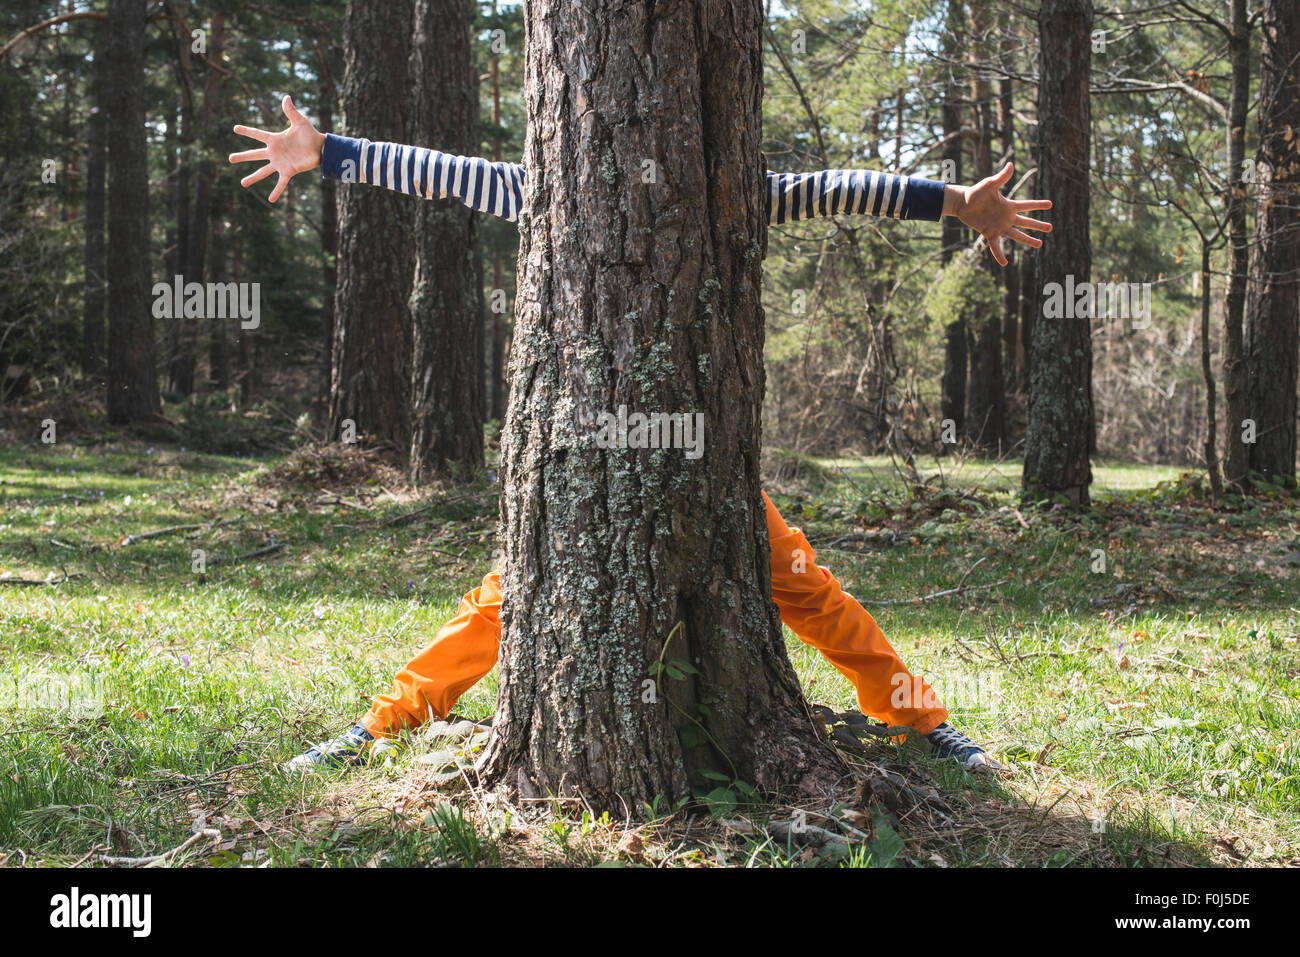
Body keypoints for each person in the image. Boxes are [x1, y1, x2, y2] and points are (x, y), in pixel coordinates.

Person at [229, 95, 1051, 774]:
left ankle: (923, 721)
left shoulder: (734, 190)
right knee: (508, 601)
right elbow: (442, 175)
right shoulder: (549, 187)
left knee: (811, 589)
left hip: (704, 457)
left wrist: (960, 204)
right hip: (591, 465)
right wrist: (328, 151)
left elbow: (844, 188)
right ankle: (377, 729)